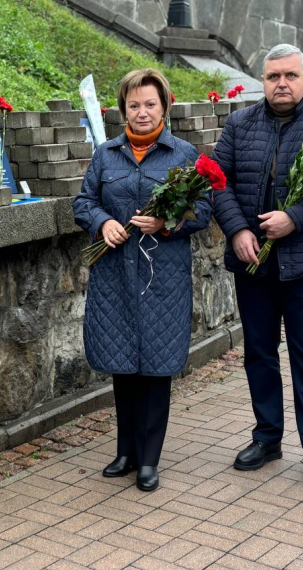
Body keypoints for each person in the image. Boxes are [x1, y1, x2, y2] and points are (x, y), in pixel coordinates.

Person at [212, 44, 303, 494]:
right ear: (263, 79)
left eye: (290, 76)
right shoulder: (240, 124)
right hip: (253, 262)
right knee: (259, 352)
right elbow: (218, 181)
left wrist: (294, 217)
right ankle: (267, 438)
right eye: (273, 76)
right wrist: (237, 230)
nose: (281, 84)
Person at [73, 68, 212, 492]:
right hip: (115, 273)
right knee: (122, 365)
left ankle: (149, 458)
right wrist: (102, 222)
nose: (142, 112)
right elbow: (84, 201)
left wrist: (165, 222)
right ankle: (126, 451)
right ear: (123, 110)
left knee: (155, 368)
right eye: (134, 105)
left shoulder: (182, 154)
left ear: (164, 107)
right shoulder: (106, 155)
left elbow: (203, 211)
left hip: (161, 276)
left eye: (150, 104)